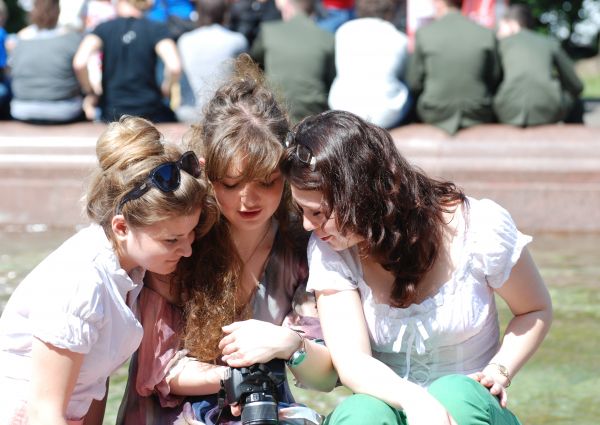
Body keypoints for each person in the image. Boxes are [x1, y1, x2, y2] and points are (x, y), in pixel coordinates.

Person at [281, 110, 553, 425]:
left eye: (318, 212)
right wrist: (416, 401)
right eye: (301, 210)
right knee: (360, 414)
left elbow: (534, 309)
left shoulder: (479, 228)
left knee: (456, 395)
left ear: (360, 197)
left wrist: (500, 370)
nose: (306, 224)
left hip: (468, 409)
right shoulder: (330, 248)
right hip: (389, 403)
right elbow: (352, 362)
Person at [116, 55, 336, 425]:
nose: (248, 200)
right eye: (231, 185)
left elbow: (327, 376)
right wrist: (234, 378)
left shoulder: (302, 245)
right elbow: (156, 373)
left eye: (267, 182)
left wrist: (292, 345)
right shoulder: (182, 243)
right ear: (206, 170)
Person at [0, 115, 213, 425]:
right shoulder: (81, 284)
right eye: (171, 239)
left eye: (191, 233)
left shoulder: (128, 271)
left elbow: (92, 387)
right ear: (122, 227)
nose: (187, 249)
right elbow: (43, 413)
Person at [73, 0, 181, 123]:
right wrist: (166, 89)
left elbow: (79, 63)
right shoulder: (157, 28)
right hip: (149, 111)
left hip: (112, 113)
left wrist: (91, 92)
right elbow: (174, 66)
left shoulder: (103, 28)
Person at [406, 0, 501, 134]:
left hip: (434, 112)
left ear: (439, 3)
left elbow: (414, 82)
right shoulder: (486, 34)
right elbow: (494, 77)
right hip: (479, 112)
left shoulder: (424, 34)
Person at [493, 4, 584, 126]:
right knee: (576, 102)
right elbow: (576, 86)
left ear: (512, 25)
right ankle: (576, 141)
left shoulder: (500, 45)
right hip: (550, 111)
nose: (498, 32)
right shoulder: (548, 43)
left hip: (506, 112)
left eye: (501, 27)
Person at [328, 0, 411, 129]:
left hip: (344, 108)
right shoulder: (400, 38)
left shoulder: (343, 32)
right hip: (386, 115)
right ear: (390, 11)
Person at [250, 0, 335, 124]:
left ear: (288, 8)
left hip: (274, 116)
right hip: (313, 120)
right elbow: (330, 81)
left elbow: (251, 64)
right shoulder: (327, 38)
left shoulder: (268, 32)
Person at [9, 0, 84, 123]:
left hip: (21, 108)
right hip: (64, 109)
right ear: (58, 11)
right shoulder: (72, 38)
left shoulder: (19, 41)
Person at [176, 0, 248, 123]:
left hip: (189, 113)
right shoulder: (237, 40)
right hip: (224, 112)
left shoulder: (184, 41)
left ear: (198, 13)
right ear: (225, 14)